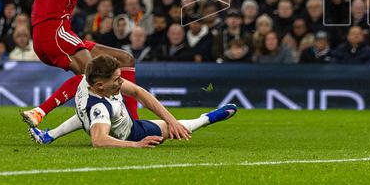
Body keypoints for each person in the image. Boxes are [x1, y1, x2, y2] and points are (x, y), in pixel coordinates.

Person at [19, 0, 141, 133]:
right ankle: (41, 111)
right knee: (96, 76)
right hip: (54, 30)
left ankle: (132, 123)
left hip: (52, 32)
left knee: (124, 59)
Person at [29, 54, 237, 147]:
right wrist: (136, 144)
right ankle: (206, 118)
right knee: (176, 130)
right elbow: (99, 141)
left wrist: (171, 118)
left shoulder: (86, 81)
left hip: (89, 115)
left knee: (83, 116)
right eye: (117, 79)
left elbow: (139, 93)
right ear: (100, 85)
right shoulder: (100, 109)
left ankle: (50, 136)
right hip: (132, 131)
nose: (121, 82)